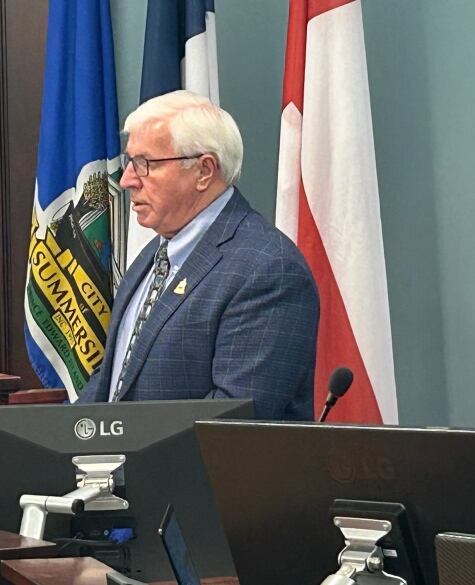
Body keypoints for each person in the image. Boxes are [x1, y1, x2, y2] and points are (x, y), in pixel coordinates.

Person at [77, 90, 318, 420]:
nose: (127, 179)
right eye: (130, 162)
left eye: (145, 163)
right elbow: (113, 380)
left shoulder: (268, 271)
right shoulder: (154, 254)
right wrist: (65, 439)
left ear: (204, 170)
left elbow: (234, 419)